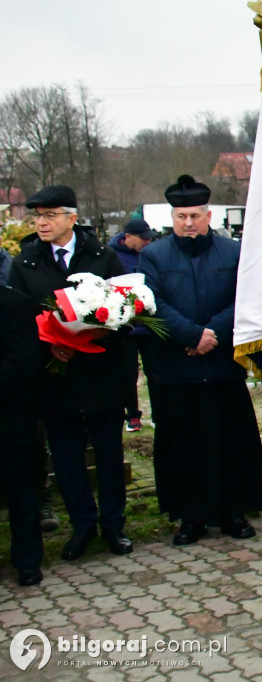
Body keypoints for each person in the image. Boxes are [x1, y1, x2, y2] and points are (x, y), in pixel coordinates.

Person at [139, 175, 262, 545]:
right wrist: (190, 335)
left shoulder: (232, 253)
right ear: (172, 218)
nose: (189, 223)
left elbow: (245, 298)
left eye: (195, 215)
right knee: (185, 447)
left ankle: (235, 512)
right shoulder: (153, 255)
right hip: (178, 368)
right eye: (181, 217)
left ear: (208, 215)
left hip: (222, 364)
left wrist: (211, 333)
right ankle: (191, 517)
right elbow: (152, 303)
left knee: (231, 442)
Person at [8, 185, 133, 561]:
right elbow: (18, 317)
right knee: (66, 459)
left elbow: (123, 310)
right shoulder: (25, 262)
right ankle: (82, 526)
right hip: (55, 375)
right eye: (37, 216)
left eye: (50, 215)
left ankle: (114, 526)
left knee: (109, 455)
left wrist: (96, 333)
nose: (41, 222)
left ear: (71, 218)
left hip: (101, 373)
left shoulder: (102, 255)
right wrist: (50, 344)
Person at [0, 285, 45, 585]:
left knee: (22, 492)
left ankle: (27, 560)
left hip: (11, 418)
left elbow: (24, 361)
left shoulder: (14, 303)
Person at [109, 218, 160, 432]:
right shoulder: (112, 256)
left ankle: (159, 412)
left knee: (156, 370)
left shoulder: (150, 254)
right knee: (128, 373)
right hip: (126, 326)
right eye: (143, 239)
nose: (147, 243)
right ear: (128, 237)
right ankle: (132, 414)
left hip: (149, 324)